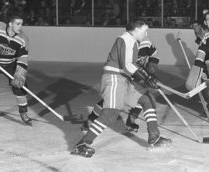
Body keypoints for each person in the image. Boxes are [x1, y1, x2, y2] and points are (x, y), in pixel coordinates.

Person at [71, 18, 172, 157]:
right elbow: (128, 65)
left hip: (124, 79)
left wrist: (147, 77)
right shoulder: (126, 40)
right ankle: (83, 144)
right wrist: (147, 78)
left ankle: (154, 137)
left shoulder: (133, 42)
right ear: (136, 29)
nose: (146, 33)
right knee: (110, 113)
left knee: (147, 99)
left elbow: (132, 66)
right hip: (114, 79)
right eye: (145, 30)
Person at [81, 36, 160, 133]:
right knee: (110, 99)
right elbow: (125, 65)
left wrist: (151, 67)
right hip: (121, 74)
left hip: (139, 73)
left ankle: (131, 119)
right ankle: (91, 119)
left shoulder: (146, 41)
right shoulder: (125, 44)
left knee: (142, 94)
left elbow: (154, 55)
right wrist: (143, 75)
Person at [0, 14, 32, 125]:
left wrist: (20, 74)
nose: (20, 27)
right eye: (17, 24)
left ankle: (23, 113)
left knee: (20, 87)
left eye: (21, 24)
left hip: (10, 64)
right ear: (10, 24)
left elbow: (23, 58)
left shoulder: (23, 39)